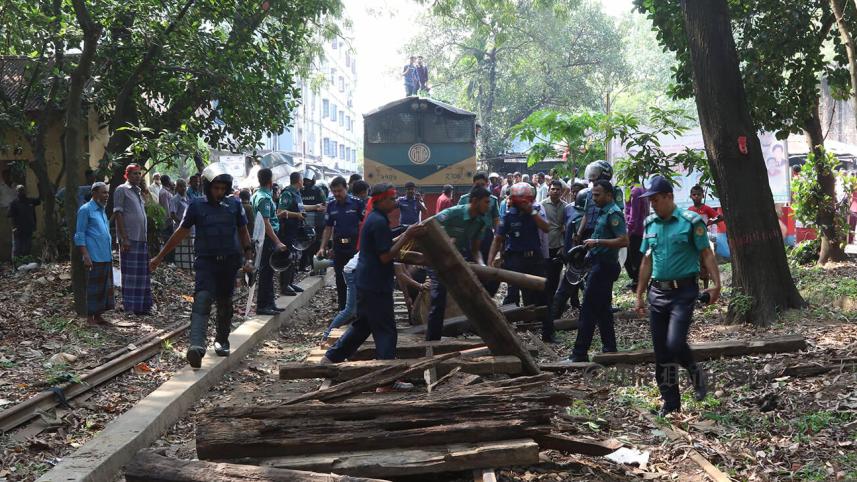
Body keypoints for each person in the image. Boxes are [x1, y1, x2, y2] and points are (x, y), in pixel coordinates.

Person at [323, 184, 423, 391]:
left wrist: (406, 235)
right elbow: (386, 256)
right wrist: (408, 235)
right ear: (379, 200)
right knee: (386, 331)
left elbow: (385, 248)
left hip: (367, 282)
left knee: (363, 326)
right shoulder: (377, 222)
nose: (395, 202)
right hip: (376, 285)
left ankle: (331, 358)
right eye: (392, 199)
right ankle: (386, 381)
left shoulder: (376, 219)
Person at [150, 166, 253, 368]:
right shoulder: (196, 206)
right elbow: (180, 232)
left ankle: (222, 340)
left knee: (225, 303)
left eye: (223, 188)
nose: (219, 192)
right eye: (216, 188)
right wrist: (159, 257)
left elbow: (243, 232)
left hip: (230, 261)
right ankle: (196, 346)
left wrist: (248, 258)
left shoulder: (234, 205)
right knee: (202, 300)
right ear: (207, 187)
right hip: (206, 261)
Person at [635, 175, 719, 416]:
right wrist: (639, 294)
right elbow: (646, 260)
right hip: (657, 293)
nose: (652, 204)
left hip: (684, 291)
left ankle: (694, 372)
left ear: (669, 197)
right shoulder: (650, 224)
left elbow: (706, 254)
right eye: (650, 200)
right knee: (661, 353)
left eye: (655, 199)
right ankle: (670, 402)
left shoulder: (690, 221)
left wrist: (716, 284)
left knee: (675, 342)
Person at [569, 180, 628, 361]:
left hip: (605, 267)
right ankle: (610, 348)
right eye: (593, 195)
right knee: (603, 309)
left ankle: (579, 354)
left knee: (588, 308)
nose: (593, 198)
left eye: (597, 195)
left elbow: (624, 240)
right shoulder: (602, 212)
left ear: (609, 195)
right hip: (596, 263)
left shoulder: (614, 213)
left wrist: (598, 242)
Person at [488, 182, 553, 341]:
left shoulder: (535, 213)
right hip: (515, 259)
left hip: (535, 258)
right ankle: (504, 334)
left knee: (543, 295)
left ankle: (548, 333)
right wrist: (490, 261)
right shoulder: (509, 216)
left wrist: (531, 211)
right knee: (512, 295)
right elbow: (498, 239)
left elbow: (546, 228)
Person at [425, 186, 492, 341]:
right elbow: (428, 226)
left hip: (457, 261)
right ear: (474, 201)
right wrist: (445, 241)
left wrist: (482, 267)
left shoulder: (481, 221)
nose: (488, 206)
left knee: (474, 293)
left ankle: (479, 332)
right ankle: (432, 342)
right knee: (438, 298)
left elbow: (476, 250)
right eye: (486, 202)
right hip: (438, 260)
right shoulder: (452, 213)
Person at [318, 176, 364, 311]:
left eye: (339, 191)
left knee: (356, 276)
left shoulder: (357, 203)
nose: (337, 194)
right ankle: (343, 307)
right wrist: (322, 247)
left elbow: (364, 223)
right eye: (334, 191)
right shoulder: (331, 205)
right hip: (339, 247)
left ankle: (357, 307)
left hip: (354, 247)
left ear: (346, 188)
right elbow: (328, 228)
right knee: (340, 277)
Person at [113, 164, 153, 315]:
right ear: (127, 175)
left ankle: (143, 307)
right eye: (134, 174)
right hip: (130, 239)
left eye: (139, 174)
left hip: (141, 239)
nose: (138, 176)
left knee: (143, 274)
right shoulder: (121, 190)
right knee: (130, 275)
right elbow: (118, 214)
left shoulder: (138, 191)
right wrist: (124, 238)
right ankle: (130, 307)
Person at [74, 182, 114, 325]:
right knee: (93, 287)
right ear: (94, 193)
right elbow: (79, 234)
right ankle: (89, 318)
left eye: (107, 193)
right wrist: (85, 255)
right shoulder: (85, 210)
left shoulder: (102, 210)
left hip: (105, 254)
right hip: (93, 255)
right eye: (104, 192)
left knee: (103, 288)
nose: (106, 195)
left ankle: (99, 316)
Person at [251, 168, 289, 315]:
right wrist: (278, 242)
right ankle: (262, 305)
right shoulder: (265, 198)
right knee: (266, 272)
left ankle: (270, 303)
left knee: (269, 271)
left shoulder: (257, 195)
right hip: (267, 239)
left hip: (265, 238)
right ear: (270, 181)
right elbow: (266, 223)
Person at [278, 171, 322, 295]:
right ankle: (284, 285)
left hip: (296, 230)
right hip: (288, 230)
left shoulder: (297, 193)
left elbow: (301, 207)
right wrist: (296, 215)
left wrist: (315, 207)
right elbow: (281, 211)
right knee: (288, 257)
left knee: (295, 257)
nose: (304, 182)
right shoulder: (287, 193)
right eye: (302, 180)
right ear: (298, 181)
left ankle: (290, 283)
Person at [458, 172, 501, 293]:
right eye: (478, 184)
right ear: (473, 184)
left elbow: (496, 220)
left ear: (487, 184)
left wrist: (499, 238)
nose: (480, 186)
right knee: (468, 264)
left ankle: (485, 294)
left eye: (483, 184)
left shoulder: (492, 200)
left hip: (486, 236)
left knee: (487, 264)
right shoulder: (464, 199)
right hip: (468, 236)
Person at [550, 188, 587, 323]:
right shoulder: (581, 217)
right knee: (568, 288)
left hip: (575, 257)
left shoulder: (572, 211)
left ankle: (554, 318)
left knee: (567, 288)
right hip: (579, 258)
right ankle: (553, 319)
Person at [575, 160, 623, 244]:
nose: (591, 177)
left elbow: (619, 213)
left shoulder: (614, 190)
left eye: (594, 173)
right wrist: (579, 233)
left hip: (606, 234)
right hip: (590, 234)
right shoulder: (590, 192)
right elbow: (586, 215)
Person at [688, 185, 722, 289]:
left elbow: (720, 217)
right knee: (694, 262)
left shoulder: (706, 208)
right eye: (694, 194)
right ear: (691, 196)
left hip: (703, 239)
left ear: (702, 195)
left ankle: (706, 289)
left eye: (698, 194)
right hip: (693, 240)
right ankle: (695, 288)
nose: (696, 196)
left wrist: (708, 223)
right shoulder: (690, 210)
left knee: (704, 262)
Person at [541, 180, 567, 318]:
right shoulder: (542, 205)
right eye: (553, 189)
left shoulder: (565, 207)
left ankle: (552, 307)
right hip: (546, 246)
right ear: (549, 190)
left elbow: (565, 227)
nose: (555, 191)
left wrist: (563, 245)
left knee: (556, 277)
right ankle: (545, 306)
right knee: (546, 277)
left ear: (561, 191)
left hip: (559, 246)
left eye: (558, 189)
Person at [300, 170, 327, 272]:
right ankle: (313, 266)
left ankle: (321, 267)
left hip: (318, 220)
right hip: (305, 221)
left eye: (308, 180)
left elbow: (324, 204)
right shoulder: (300, 191)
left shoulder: (318, 190)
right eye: (305, 180)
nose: (307, 182)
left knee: (318, 244)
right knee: (308, 245)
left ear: (312, 180)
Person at [624, 182, 649, 292]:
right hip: (641, 229)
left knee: (630, 258)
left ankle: (638, 282)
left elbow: (634, 214)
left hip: (634, 231)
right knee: (637, 257)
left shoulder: (634, 191)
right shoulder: (642, 189)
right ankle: (637, 281)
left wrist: (628, 232)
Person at [8, 185, 41, 258]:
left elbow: (39, 200)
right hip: (18, 230)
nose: (21, 192)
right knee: (17, 249)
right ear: (17, 192)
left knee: (27, 249)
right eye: (19, 190)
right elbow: (11, 217)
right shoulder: (13, 203)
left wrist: (40, 188)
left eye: (22, 190)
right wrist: (13, 228)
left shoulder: (30, 201)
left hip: (28, 229)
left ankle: (25, 266)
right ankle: (16, 267)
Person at [170, 179, 194, 268]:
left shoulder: (187, 198)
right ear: (177, 187)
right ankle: (182, 268)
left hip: (190, 230)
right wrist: (183, 225)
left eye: (184, 186)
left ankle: (190, 268)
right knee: (182, 250)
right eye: (180, 186)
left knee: (189, 249)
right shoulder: (174, 199)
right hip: (180, 229)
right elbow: (172, 215)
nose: (183, 188)